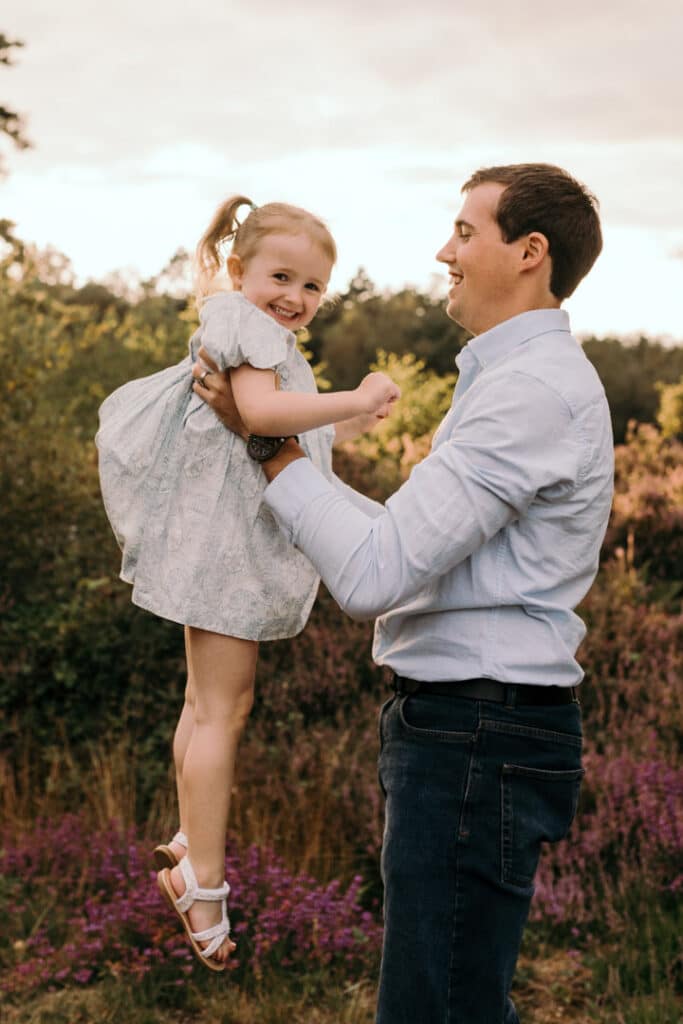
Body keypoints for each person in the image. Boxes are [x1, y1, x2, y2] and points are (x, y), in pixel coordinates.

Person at [193, 164, 614, 1019]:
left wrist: (266, 448)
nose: (443, 252)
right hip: (466, 727)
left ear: (528, 252)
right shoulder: (506, 381)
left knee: (436, 1008)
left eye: (465, 232)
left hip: (476, 731)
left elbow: (374, 574)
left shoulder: (527, 391)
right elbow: (398, 545)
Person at [95, 196, 400, 971]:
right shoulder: (249, 327)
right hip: (227, 549)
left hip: (209, 541)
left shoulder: (238, 317)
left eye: (312, 287)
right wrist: (359, 397)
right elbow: (260, 412)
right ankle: (201, 883)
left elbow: (284, 415)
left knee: (204, 705)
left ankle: (190, 836)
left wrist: (350, 417)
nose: (295, 298)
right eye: (281, 276)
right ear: (241, 270)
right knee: (225, 711)